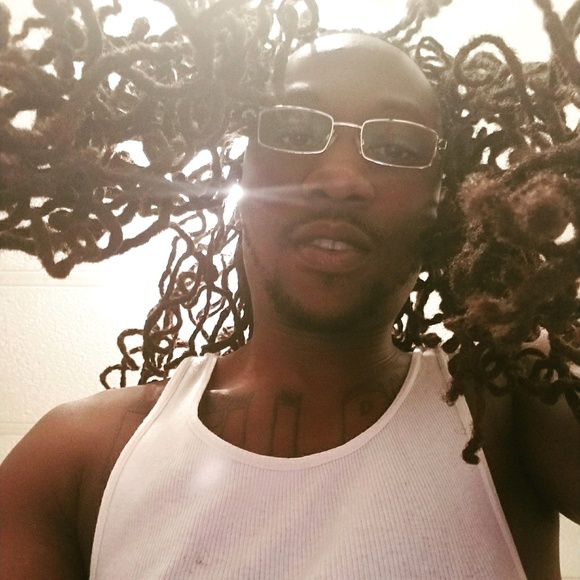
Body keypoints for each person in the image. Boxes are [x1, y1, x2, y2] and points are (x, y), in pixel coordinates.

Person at [1, 1, 579, 579]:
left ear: (446, 199)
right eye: (295, 131)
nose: (340, 180)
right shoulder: (75, 460)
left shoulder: (513, 405)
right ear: (242, 174)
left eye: (397, 148)